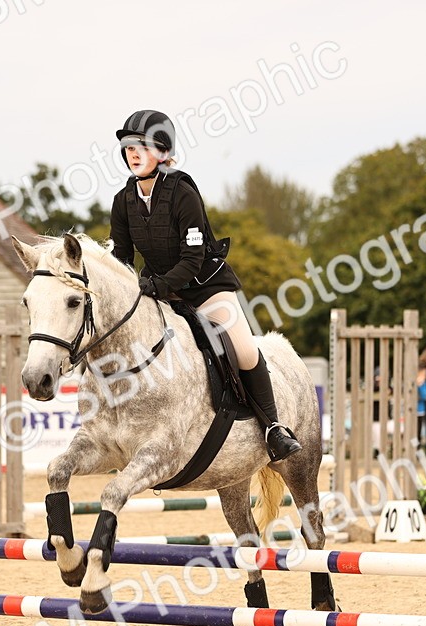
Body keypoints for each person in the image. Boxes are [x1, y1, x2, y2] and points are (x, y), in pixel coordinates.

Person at [108, 109, 300, 461]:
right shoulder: (123, 202)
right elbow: (121, 257)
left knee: (242, 348)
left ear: (162, 153)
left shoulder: (182, 193)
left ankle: (273, 428)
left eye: (141, 146)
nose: (133, 153)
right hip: (159, 291)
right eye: (128, 147)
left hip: (205, 286)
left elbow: (192, 260)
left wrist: (157, 285)